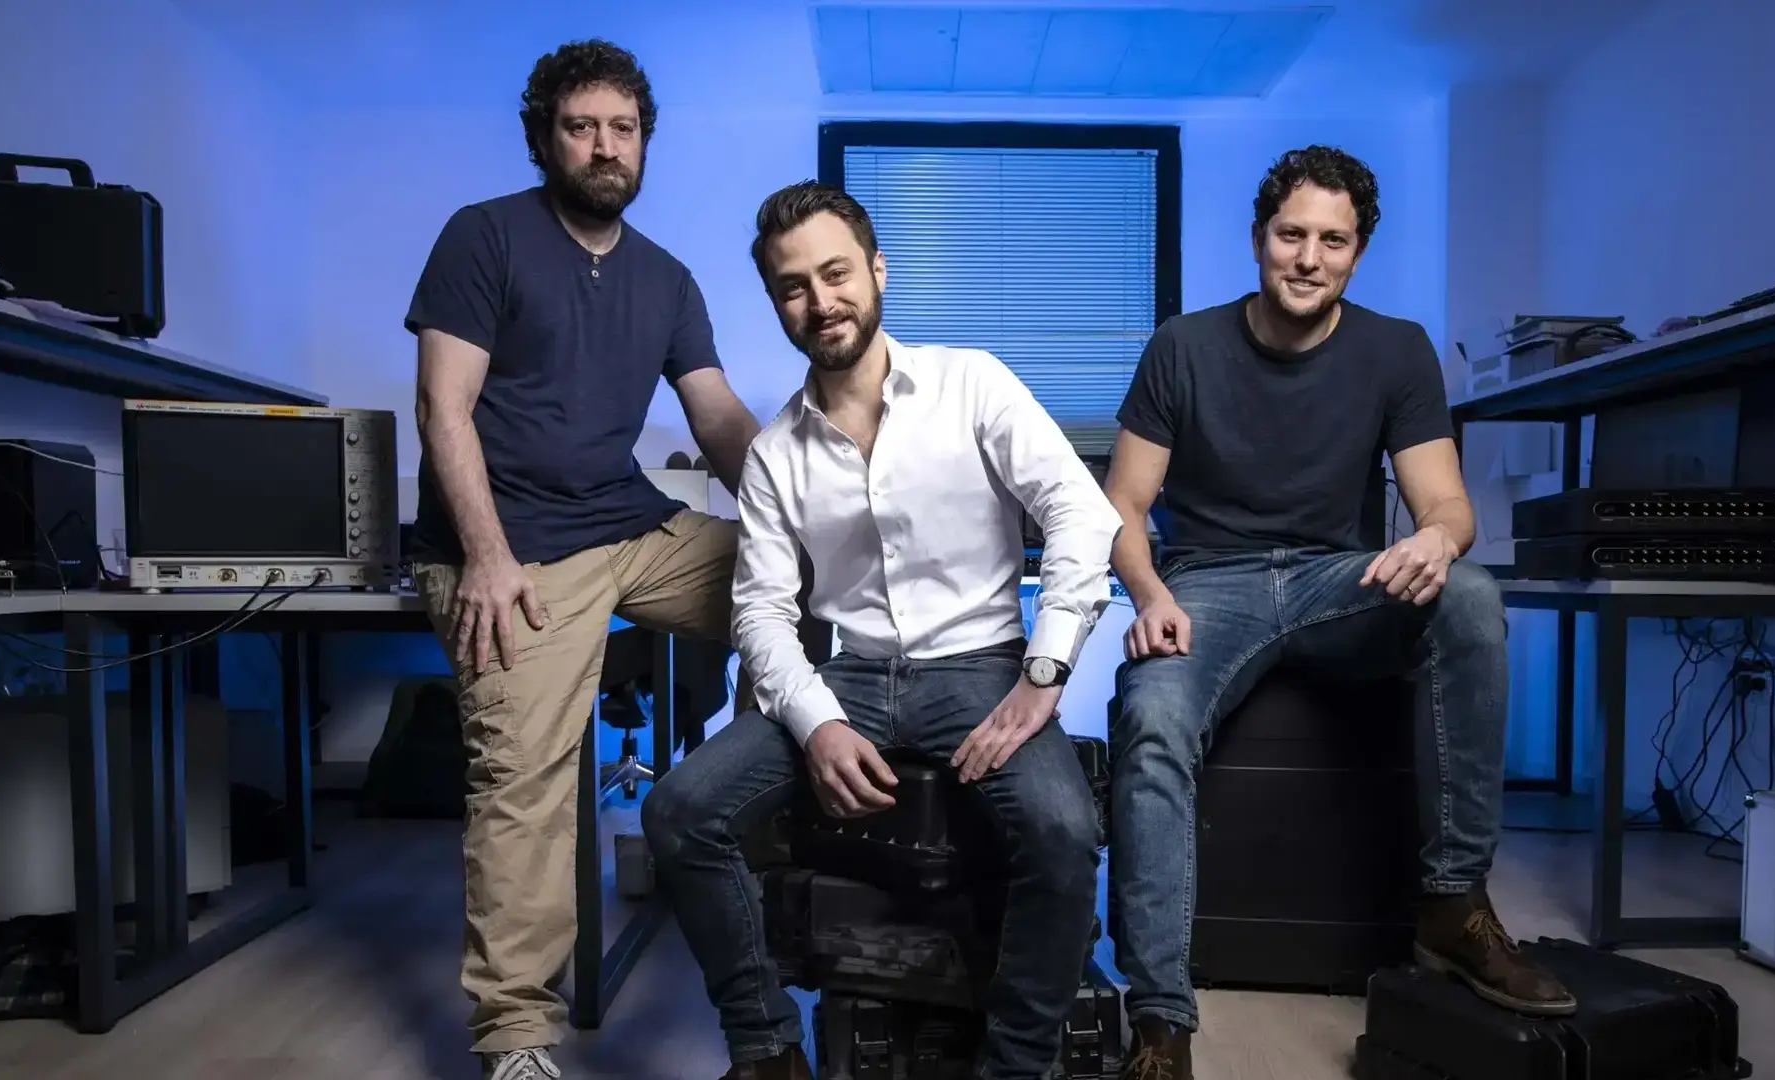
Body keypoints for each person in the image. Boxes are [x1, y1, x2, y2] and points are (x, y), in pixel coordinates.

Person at [1102, 145, 1575, 1079]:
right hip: (1208, 583)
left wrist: (1436, 541)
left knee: (1469, 595)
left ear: (1358, 252)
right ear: (1257, 239)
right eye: (1292, 235)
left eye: (1333, 240)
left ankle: (1452, 904)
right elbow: (1121, 504)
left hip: (1339, 581)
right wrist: (1150, 595)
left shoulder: (1396, 349)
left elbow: (1449, 507)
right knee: (1150, 715)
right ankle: (1160, 1018)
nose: (1309, 258)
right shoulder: (1182, 347)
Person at [643, 181, 1118, 1080]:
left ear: (877, 271)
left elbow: (1079, 512)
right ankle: (767, 1049)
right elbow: (761, 611)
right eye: (793, 287)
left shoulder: (971, 382)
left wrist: (1045, 669)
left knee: (1064, 831)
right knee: (678, 812)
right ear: (776, 303)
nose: (820, 302)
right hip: (852, 679)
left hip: (980, 666)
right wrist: (817, 723)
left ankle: (1016, 1067)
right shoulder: (775, 453)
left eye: (836, 274)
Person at [406, 39, 763, 1080]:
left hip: (628, 526)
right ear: (543, 139)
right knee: (524, 781)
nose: (606, 147)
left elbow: (720, 419)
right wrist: (485, 555)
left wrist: (806, 521)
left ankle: (744, 815)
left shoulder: (667, 278)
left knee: (809, 587)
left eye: (623, 128)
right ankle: (517, 1033)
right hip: (516, 551)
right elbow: (442, 407)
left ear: (644, 142)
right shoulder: (484, 237)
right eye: (582, 127)